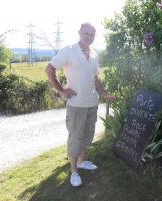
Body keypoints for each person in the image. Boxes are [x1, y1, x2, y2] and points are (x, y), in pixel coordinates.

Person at [45, 22, 116, 187]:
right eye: (86, 33)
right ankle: (73, 171)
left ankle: (81, 162)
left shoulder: (94, 55)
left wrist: (104, 94)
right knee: (75, 138)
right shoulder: (69, 50)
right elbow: (49, 69)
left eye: (92, 35)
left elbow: (95, 79)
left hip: (92, 103)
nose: (89, 37)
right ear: (79, 32)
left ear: (95, 36)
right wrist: (62, 91)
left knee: (87, 136)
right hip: (76, 105)